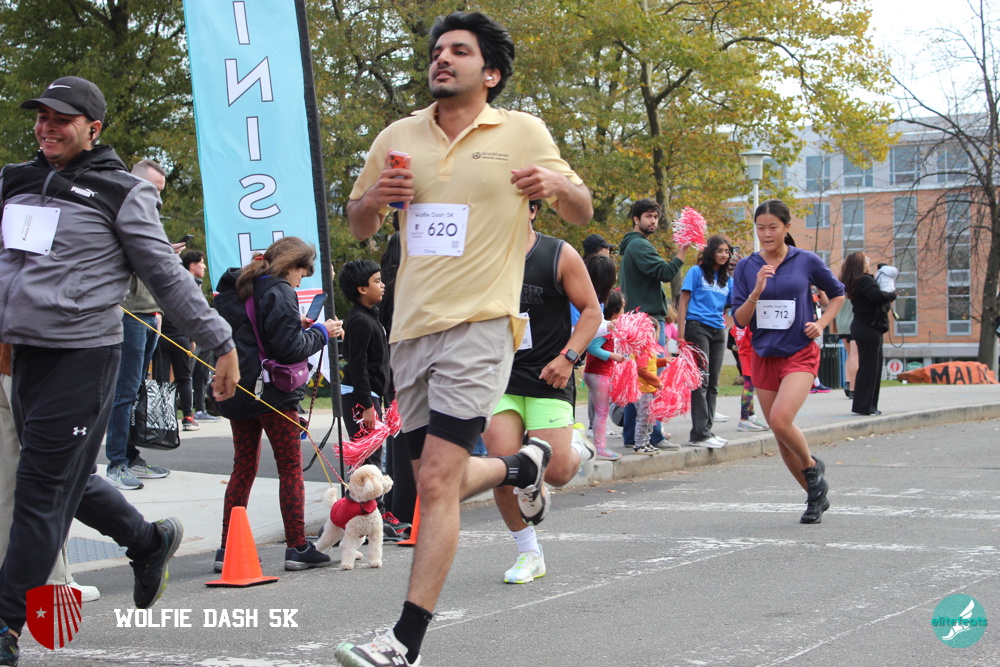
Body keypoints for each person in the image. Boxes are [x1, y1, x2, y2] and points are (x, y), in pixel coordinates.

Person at [337, 12, 592, 666]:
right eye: (437, 50)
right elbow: (359, 223)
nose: (442, 59)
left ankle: (405, 641)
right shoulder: (398, 136)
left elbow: (581, 207)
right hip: (410, 329)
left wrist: (555, 185)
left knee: (437, 477)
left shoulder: (522, 132)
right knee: (431, 482)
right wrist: (376, 198)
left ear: (491, 72)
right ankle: (520, 467)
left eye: (459, 50)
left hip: (482, 324)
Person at [0, 76, 240, 666]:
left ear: (93, 128)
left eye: (61, 118)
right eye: (41, 116)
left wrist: (220, 341)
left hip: (83, 357)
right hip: (22, 356)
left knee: (38, 491)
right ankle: (148, 540)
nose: (47, 127)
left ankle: (3, 626)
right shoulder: (15, 179)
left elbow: (165, 274)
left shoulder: (122, 191)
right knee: (64, 479)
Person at [481, 200, 600, 585]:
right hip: (500, 377)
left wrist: (568, 358)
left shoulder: (558, 254)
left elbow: (592, 311)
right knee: (503, 467)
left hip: (550, 376)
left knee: (560, 473)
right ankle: (529, 552)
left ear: (532, 211)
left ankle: (578, 445)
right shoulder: (481, 255)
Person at [212, 237, 342, 572]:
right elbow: (289, 349)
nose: (301, 281)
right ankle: (297, 546)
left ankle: (227, 546)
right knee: (289, 468)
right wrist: (322, 333)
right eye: (303, 273)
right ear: (292, 265)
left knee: (243, 467)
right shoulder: (280, 289)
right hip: (273, 394)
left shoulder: (239, 286)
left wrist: (295, 326)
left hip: (239, 388)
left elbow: (255, 333)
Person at [731, 199, 844, 525]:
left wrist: (821, 324)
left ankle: (812, 467)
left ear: (786, 227)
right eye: (760, 228)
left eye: (773, 227)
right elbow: (740, 319)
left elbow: (838, 294)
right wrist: (756, 291)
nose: (766, 234)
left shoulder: (805, 260)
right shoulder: (746, 266)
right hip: (764, 354)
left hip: (799, 352)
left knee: (781, 420)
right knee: (782, 440)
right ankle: (815, 496)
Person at [0, 344, 100, 604]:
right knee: (51, 477)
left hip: (8, 357)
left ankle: (10, 578)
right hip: (33, 358)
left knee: (8, 481)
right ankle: (52, 579)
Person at [103, 159, 177, 490]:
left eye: (160, 193)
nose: (157, 199)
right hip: (129, 313)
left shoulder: (148, 218)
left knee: (136, 391)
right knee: (124, 391)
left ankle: (130, 457)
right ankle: (116, 462)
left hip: (149, 313)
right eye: (152, 190)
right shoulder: (120, 212)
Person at [338, 259, 410, 538]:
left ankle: (372, 513)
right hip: (360, 397)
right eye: (377, 281)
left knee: (372, 457)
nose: (382, 286)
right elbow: (356, 365)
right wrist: (367, 406)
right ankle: (370, 515)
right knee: (368, 460)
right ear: (361, 288)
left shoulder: (370, 316)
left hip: (371, 395)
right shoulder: (359, 320)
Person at [618, 198, 689, 445]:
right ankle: (653, 436)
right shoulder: (639, 245)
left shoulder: (633, 245)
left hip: (637, 319)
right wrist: (683, 250)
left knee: (636, 380)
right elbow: (666, 273)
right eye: (648, 216)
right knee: (651, 379)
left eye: (656, 217)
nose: (653, 221)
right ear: (636, 219)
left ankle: (632, 436)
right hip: (647, 321)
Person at [678, 235, 733, 448]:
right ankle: (699, 434)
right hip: (697, 327)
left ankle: (707, 431)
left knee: (713, 384)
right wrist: (680, 335)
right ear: (711, 252)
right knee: (701, 381)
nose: (724, 255)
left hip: (718, 331)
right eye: (720, 250)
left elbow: (731, 306)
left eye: (727, 251)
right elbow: (683, 303)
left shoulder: (727, 279)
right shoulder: (696, 272)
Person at [840, 252, 895, 416]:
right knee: (871, 368)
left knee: (868, 367)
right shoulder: (865, 280)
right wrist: (892, 294)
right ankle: (866, 406)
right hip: (869, 327)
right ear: (860, 263)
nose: (869, 261)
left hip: (862, 326)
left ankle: (866, 405)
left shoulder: (855, 281)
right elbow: (878, 296)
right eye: (866, 259)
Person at [584, 290, 627, 461]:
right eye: (622, 307)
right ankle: (600, 448)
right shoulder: (606, 329)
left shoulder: (608, 328)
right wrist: (613, 356)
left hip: (598, 374)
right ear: (615, 310)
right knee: (602, 412)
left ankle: (599, 446)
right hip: (599, 375)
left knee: (600, 412)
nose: (624, 311)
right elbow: (592, 348)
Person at [182, 251, 221, 422]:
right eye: (201, 263)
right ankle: (186, 413)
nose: (204, 266)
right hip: (191, 337)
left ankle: (200, 410)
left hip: (203, 337)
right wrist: (191, 337)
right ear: (192, 266)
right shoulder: (183, 284)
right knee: (186, 375)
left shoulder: (197, 285)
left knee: (202, 374)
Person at [633, 318, 671, 454]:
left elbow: (651, 364)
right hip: (643, 390)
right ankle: (639, 445)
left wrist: (664, 361)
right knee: (644, 418)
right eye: (657, 332)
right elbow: (641, 370)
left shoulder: (647, 349)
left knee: (649, 418)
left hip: (649, 389)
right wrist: (658, 382)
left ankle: (646, 442)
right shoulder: (642, 350)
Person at [833, 281, 858, 399]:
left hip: (841, 323)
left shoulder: (839, 287)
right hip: (853, 323)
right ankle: (853, 387)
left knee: (850, 355)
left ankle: (848, 381)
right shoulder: (857, 287)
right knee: (855, 356)